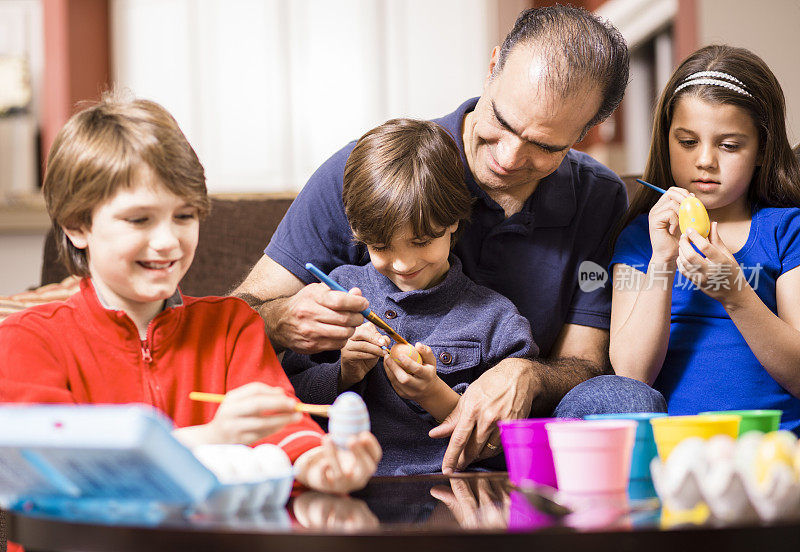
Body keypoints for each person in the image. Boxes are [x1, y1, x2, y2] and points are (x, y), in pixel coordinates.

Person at [234, 5, 665, 473]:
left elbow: (586, 360)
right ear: (492, 66)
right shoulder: (380, 170)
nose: (509, 156)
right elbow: (235, 317)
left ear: (585, 132)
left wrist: (528, 373)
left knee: (622, 398)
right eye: (502, 120)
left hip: (519, 443)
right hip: (363, 450)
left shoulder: (598, 197)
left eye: (544, 146)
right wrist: (279, 319)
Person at [0, 92, 381, 493]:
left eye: (184, 216)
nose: (167, 241)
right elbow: (58, 474)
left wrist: (323, 464)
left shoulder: (232, 326)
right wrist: (211, 437)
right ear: (78, 227)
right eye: (140, 219)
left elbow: (284, 429)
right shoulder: (27, 341)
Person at [282, 119, 537, 475]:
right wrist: (344, 374)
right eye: (381, 246)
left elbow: (504, 446)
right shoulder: (336, 297)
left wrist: (432, 393)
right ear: (358, 233)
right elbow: (290, 401)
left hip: (451, 491)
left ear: (453, 221)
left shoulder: (496, 320)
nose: (403, 264)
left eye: (421, 242)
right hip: (348, 485)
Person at [609, 45, 800, 431]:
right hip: (672, 452)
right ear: (666, 140)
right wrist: (662, 260)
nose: (705, 161)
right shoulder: (641, 239)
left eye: (729, 145)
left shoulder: (785, 229)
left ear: (762, 148)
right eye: (687, 141)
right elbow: (631, 376)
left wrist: (734, 292)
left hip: (771, 448)